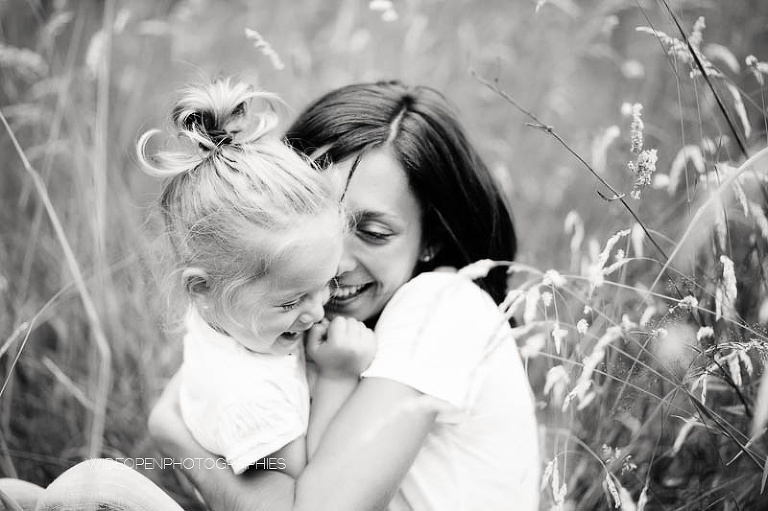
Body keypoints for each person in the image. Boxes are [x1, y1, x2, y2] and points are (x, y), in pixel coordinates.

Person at [21, 81, 539, 511]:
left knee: (90, 492)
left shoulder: (442, 306)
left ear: (431, 239)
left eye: (373, 232)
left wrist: (174, 439)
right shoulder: (292, 315)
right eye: (317, 226)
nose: (331, 264)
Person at [136, 78, 376, 478]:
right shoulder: (249, 401)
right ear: (202, 289)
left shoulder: (229, 318)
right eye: (290, 302)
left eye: (325, 285)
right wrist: (337, 376)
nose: (318, 313)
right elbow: (312, 484)